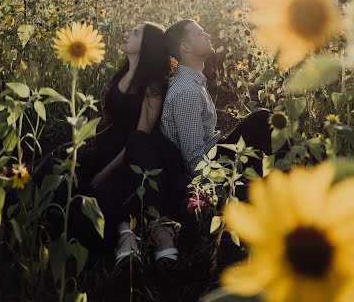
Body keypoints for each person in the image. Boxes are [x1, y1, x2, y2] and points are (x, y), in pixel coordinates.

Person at [68, 21, 186, 270]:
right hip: (108, 147)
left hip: (140, 150)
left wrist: (107, 169)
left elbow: (141, 134)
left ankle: (149, 232)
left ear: (146, 46)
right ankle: (126, 232)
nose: (126, 33)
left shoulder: (153, 84)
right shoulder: (121, 74)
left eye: (134, 33)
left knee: (118, 177)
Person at [159, 19, 274, 199]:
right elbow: (193, 157)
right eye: (199, 33)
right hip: (213, 164)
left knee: (263, 126)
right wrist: (219, 195)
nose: (208, 36)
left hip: (217, 153)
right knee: (262, 121)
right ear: (186, 47)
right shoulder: (186, 91)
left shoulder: (192, 82)